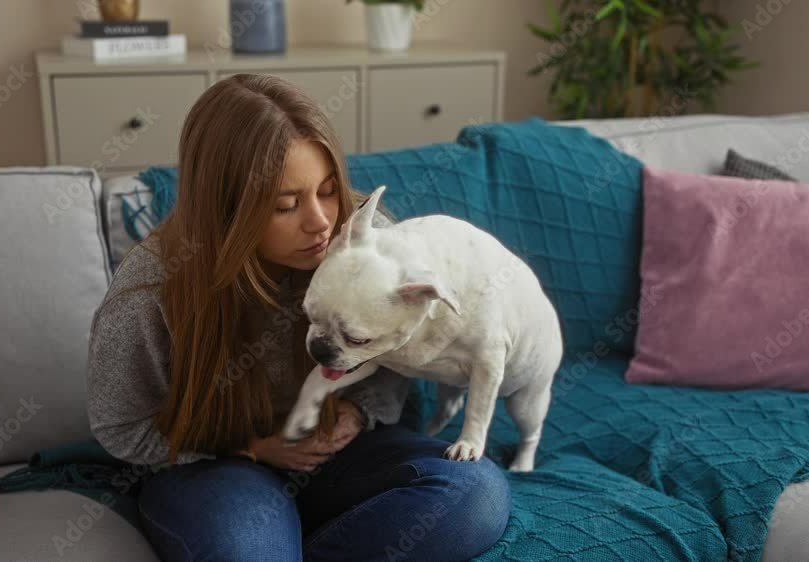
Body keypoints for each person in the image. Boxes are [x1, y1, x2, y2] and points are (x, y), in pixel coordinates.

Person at [86, 73, 511, 562]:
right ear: (226, 210)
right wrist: (254, 449)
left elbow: (398, 352)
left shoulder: (368, 247)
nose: (321, 222)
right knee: (247, 551)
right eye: (286, 204)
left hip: (339, 457)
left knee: (476, 495)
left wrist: (357, 412)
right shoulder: (153, 286)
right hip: (215, 468)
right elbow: (121, 426)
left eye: (328, 190)